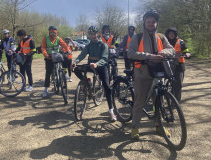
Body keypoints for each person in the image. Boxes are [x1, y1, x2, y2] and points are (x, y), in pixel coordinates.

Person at [127, 10, 175, 139]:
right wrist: (149, 56)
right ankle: (135, 127)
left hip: (158, 72)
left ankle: (159, 125)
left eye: (153, 22)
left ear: (156, 24)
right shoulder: (137, 37)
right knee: (139, 101)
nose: (151, 24)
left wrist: (164, 52)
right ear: (144, 22)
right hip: (142, 73)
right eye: (148, 22)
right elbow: (130, 53)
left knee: (159, 101)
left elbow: (172, 49)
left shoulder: (161, 37)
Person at [72, 26, 117, 121]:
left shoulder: (103, 45)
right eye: (91, 34)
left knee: (107, 87)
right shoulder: (88, 45)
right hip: (91, 65)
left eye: (94, 33)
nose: (93, 35)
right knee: (76, 69)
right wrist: (75, 61)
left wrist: (97, 64)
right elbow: (82, 54)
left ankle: (111, 111)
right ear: (89, 34)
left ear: (97, 34)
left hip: (101, 67)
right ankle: (86, 82)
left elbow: (104, 58)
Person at [41, 26, 70, 98]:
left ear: (56, 32)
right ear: (49, 32)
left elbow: (64, 44)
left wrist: (67, 50)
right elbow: (43, 47)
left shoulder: (58, 38)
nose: (53, 34)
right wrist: (45, 54)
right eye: (51, 32)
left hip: (56, 56)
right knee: (48, 73)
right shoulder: (46, 38)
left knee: (63, 60)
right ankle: (46, 89)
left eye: (54, 32)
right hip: (49, 57)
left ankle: (62, 75)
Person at [165, 27, 191, 102]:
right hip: (168, 65)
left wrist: (187, 53)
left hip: (179, 66)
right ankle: (168, 99)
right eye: (169, 33)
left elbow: (186, 50)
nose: (171, 35)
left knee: (178, 84)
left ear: (175, 34)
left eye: (173, 33)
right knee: (167, 84)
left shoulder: (180, 42)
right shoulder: (165, 42)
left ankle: (176, 101)